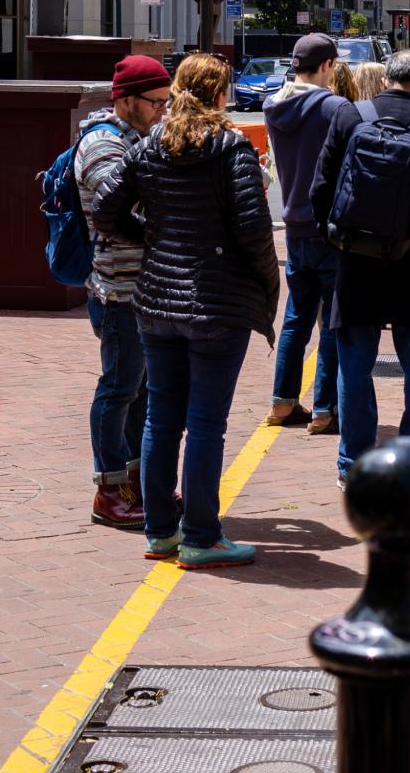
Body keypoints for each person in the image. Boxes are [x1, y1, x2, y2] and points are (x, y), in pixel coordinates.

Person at [94, 54, 279, 569]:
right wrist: (266, 286)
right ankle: (200, 535)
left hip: (155, 302)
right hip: (216, 307)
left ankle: (160, 532)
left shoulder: (151, 145)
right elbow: (254, 233)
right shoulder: (232, 147)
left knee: (161, 419)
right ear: (220, 95)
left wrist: (151, 241)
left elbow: (106, 208)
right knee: (205, 424)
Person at [311, 49, 410, 482]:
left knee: (355, 366)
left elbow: (320, 190)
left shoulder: (350, 117)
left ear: (386, 80)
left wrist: (342, 237)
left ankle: (354, 463)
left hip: (356, 262)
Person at [76, 55, 173, 530]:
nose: (163, 110)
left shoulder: (141, 136)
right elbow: (118, 209)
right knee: (117, 389)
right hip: (118, 289)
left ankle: (135, 479)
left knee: (140, 393)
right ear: (127, 100)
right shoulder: (100, 144)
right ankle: (108, 488)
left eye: (166, 101)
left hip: (144, 285)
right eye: (155, 102)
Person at [263, 33, 349, 434]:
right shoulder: (335, 107)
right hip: (330, 224)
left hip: (294, 222)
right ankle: (324, 408)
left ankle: (282, 402)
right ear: (328, 65)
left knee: (296, 316)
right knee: (332, 319)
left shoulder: (272, 105)